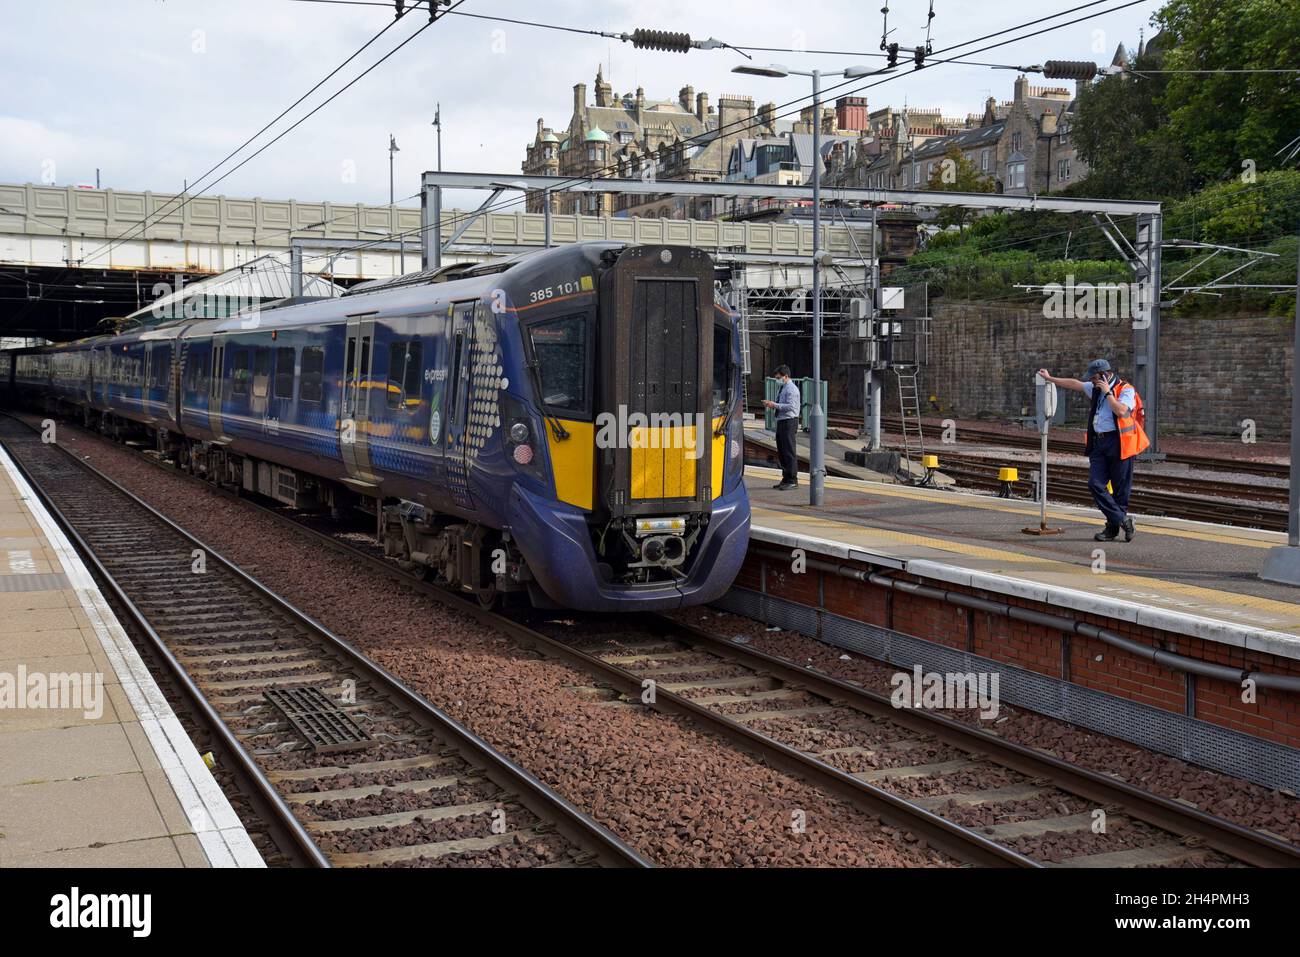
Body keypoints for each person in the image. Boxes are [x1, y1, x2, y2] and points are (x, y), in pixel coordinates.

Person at [1036, 359, 1147, 542]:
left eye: (1095, 378)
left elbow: (1121, 411)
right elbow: (1075, 384)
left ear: (1105, 375)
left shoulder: (1126, 389)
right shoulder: (1094, 387)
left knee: (1120, 491)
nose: (1092, 382)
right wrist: (1050, 378)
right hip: (1099, 443)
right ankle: (1123, 520)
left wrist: (1108, 393)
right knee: (1095, 484)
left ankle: (1112, 529)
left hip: (1120, 443)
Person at [762, 365, 800, 490]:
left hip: (789, 421)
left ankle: (792, 480)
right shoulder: (784, 387)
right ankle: (786, 478)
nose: (777, 380)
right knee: (782, 451)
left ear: (786, 376)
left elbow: (791, 406)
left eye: (779, 378)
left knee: (789, 451)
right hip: (783, 421)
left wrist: (774, 405)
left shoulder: (791, 389)